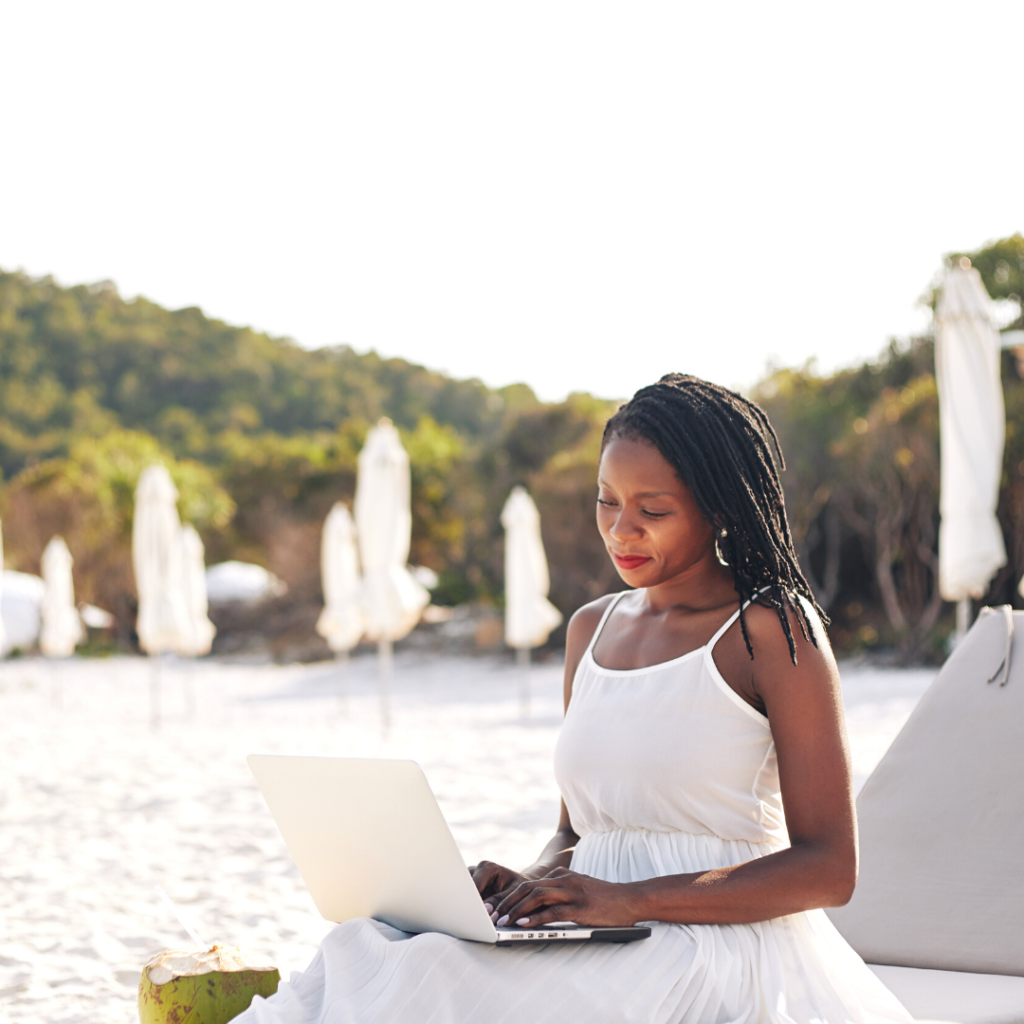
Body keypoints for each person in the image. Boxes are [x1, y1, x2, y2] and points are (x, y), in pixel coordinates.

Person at [239, 374, 912, 1023]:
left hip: (713, 942)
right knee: (364, 947)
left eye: (652, 510)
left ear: (719, 510)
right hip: (594, 927)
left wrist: (632, 900)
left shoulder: (771, 631)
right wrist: (525, 886)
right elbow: (576, 832)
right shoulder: (591, 630)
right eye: (606, 500)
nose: (621, 530)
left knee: (437, 983)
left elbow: (829, 868)